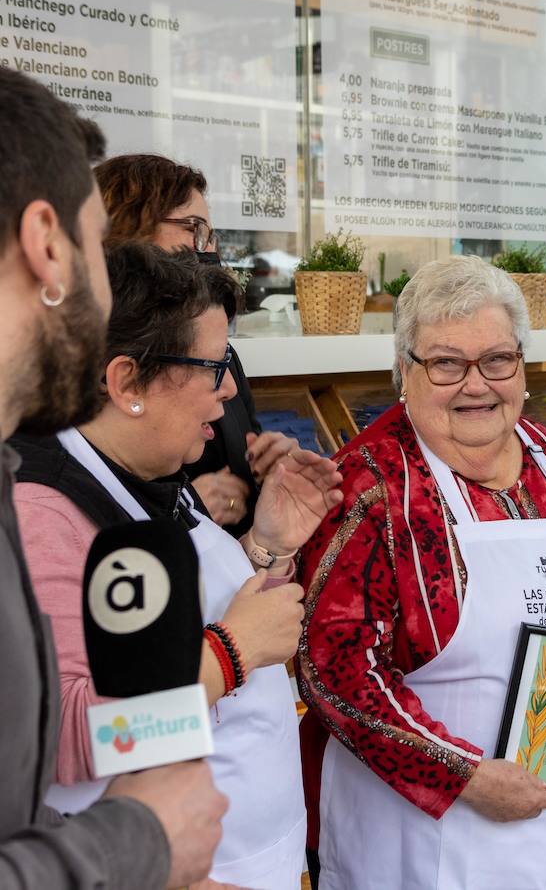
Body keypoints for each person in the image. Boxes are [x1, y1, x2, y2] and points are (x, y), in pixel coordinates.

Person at [296, 255, 546, 889]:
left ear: (521, 364)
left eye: (497, 360)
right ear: (404, 372)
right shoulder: (372, 484)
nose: (476, 384)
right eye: (445, 363)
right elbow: (335, 668)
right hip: (417, 834)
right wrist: (460, 775)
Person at [12, 242, 342, 888]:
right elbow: (74, 739)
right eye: (213, 366)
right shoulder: (44, 513)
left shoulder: (150, 470)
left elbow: (168, 618)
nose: (228, 392)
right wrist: (229, 655)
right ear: (126, 382)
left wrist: (268, 547)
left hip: (255, 859)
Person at [0, 66, 226, 889]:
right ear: (47, 246)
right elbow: (71, 732)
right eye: (103, 248)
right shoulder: (39, 502)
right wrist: (139, 841)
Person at [96, 153, 294, 535]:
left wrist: (271, 466)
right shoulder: (82, 365)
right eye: (193, 228)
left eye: (209, 233)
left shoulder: (223, 356)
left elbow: (242, 456)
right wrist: (185, 507)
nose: (206, 248)